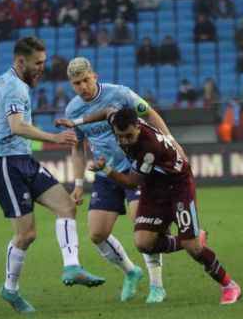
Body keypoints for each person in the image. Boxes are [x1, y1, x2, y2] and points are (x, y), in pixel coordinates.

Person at [0, 37, 105, 313]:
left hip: (24, 161)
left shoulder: (0, 82)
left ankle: (72, 267)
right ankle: (10, 290)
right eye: (38, 64)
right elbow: (18, 126)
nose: (42, 68)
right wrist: (53, 138)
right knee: (26, 235)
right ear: (21, 62)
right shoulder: (14, 89)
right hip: (6, 164)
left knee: (66, 206)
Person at [65, 107, 242, 305]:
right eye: (120, 136)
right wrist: (77, 122)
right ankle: (189, 238)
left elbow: (132, 183)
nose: (124, 140)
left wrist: (105, 169)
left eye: (129, 136)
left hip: (178, 186)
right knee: (144, 243)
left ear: (138, 127)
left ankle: (229, 285)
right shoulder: (119, 120)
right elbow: (107, 111)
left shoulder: (148, 149)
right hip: (154, 186)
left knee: (194, 249)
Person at [55, 58, 185, 303]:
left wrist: (171, 142)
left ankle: (157, 286)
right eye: (76, 83)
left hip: (136, 168)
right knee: (97, 233)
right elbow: (78, 147)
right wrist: (79, 183)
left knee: (143, 227)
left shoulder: (120, 94)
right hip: (106, 173)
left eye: (85, 80)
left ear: (94, 75)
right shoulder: (73, 110)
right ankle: (131, 272)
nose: (82, 86)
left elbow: (150, 113)